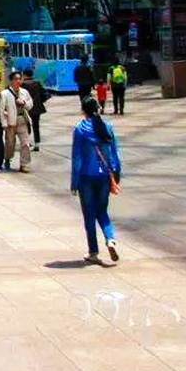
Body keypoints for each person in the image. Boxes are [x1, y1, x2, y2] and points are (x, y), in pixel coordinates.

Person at [71, 97, 122, 264]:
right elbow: (114, 154)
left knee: (89, 214)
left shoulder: (80, 130)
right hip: (104, 176)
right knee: (102, 210)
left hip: (86, 176)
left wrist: (74, 181)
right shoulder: (107, 128)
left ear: (83, 110)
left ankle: (93, 251)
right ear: (98, 108)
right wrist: (116, 176)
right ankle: (110, 238)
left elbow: (77, 157)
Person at [2, 71, 35, 173]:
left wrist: (24, 103)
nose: (18, 81)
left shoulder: (24, 92)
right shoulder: (5, 94)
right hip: (10, 121)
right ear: (11, 81)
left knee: (25, 143)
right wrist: (4, 122)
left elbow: (30, 104)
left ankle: (24, 164)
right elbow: (1, 109)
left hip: (22, 120)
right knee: (10, 143)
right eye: (15, 79)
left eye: (19, 79)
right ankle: (7, 158)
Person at [22, 69, 49, 150]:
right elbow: (44, 94)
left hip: (26, 107)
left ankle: (28, 141)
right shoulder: (37, 83)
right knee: (36, 125)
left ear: (24, 75)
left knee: (26, 125)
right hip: (37, 107)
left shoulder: (23, 84)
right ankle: (37, 144)